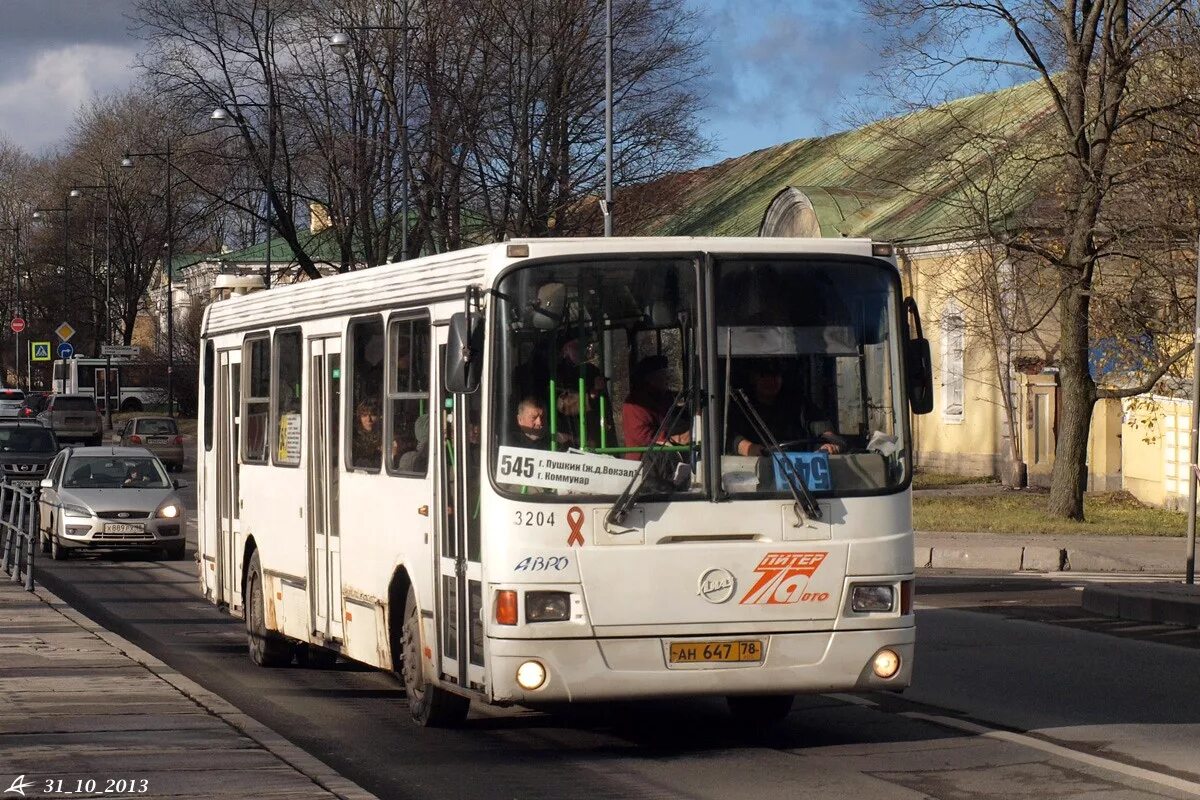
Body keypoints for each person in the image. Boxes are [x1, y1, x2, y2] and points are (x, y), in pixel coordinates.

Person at [728, 359, 842, 456]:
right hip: (754, 473)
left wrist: (828, 442)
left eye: (776, 375)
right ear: (753, 378)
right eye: (764, 375)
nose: (771, 380)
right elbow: (729, 438)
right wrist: (749, 448)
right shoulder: (740, 408)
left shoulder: (797, 404)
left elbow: (820, 424)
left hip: (798, 471)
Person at [621, 355, 673, 460]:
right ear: (651, 378)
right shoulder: (635, 402)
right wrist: (673, 437)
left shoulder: (666, 396)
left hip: (663, 459)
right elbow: (641, 435)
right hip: (644, 463)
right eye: (663, 374)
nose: (668, 379)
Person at [642, 407, 694, 493]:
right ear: (680, 433)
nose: (693, 434)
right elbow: (647, 483)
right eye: (690, 430)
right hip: (665, 502)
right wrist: (671, 487)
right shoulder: (654, 452)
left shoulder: (693, 450)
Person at [352, 399, 382, 467]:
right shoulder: (354, 438)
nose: (369, 419)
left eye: (372, 415)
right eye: (364, 415)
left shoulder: (384, 435)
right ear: (359, 418)